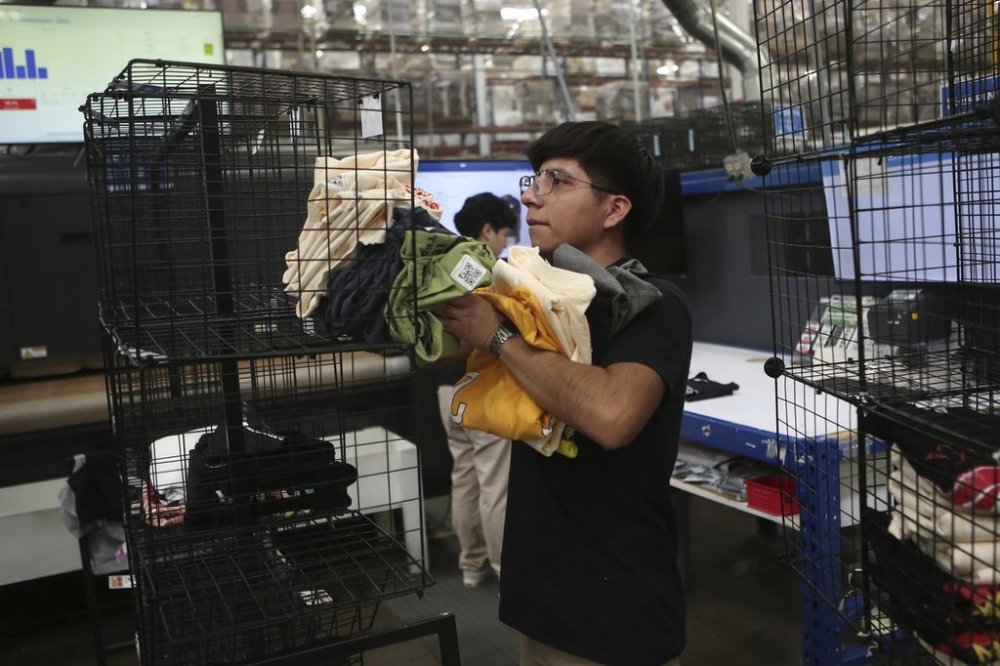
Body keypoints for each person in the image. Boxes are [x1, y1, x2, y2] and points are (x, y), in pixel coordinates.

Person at [433, 121, 692, 665]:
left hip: (612, 608)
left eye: (557, 181)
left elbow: (612, 415)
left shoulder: (655, 306)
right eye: (535, 179)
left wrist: (499, 337)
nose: (530, 195)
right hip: (541, 597)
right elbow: (443, 344)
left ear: (614, 209)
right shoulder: (536, 295)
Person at [438, 191, 519, 586]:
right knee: (495, 482)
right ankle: (505, 571)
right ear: (488, 230)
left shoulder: (442, 265)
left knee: (464, 474)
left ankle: (471, 566)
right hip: (480, 388)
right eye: (505, 234)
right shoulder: (488, 270)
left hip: (443, 388)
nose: (506, 243)